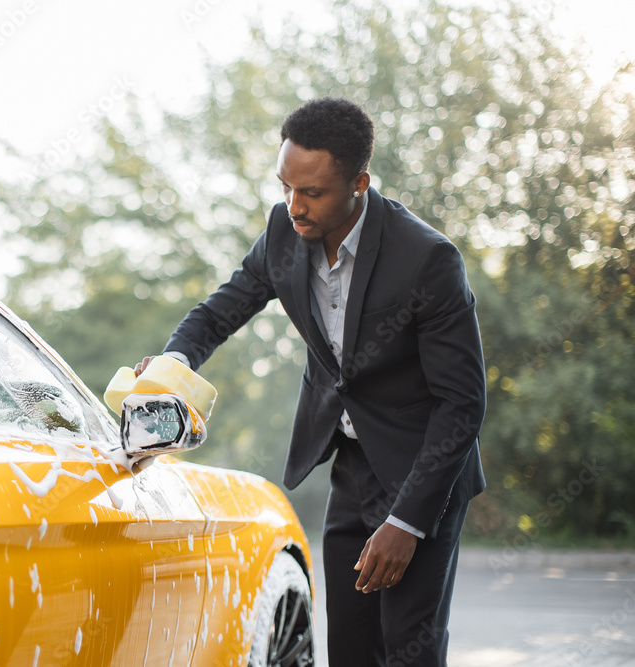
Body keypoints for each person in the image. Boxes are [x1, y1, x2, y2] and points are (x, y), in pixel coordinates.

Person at [134, 97, 486, 667]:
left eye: (313, 193)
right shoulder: (282, 231)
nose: (294, 206)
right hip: (350, 464)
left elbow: (463, 404)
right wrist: (172, 366)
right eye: (286, 187)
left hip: (424, 472)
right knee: (348, 650)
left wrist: (407, 522)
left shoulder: (427, 259)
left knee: (408, 653)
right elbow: (217, 313)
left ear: (359, 184)